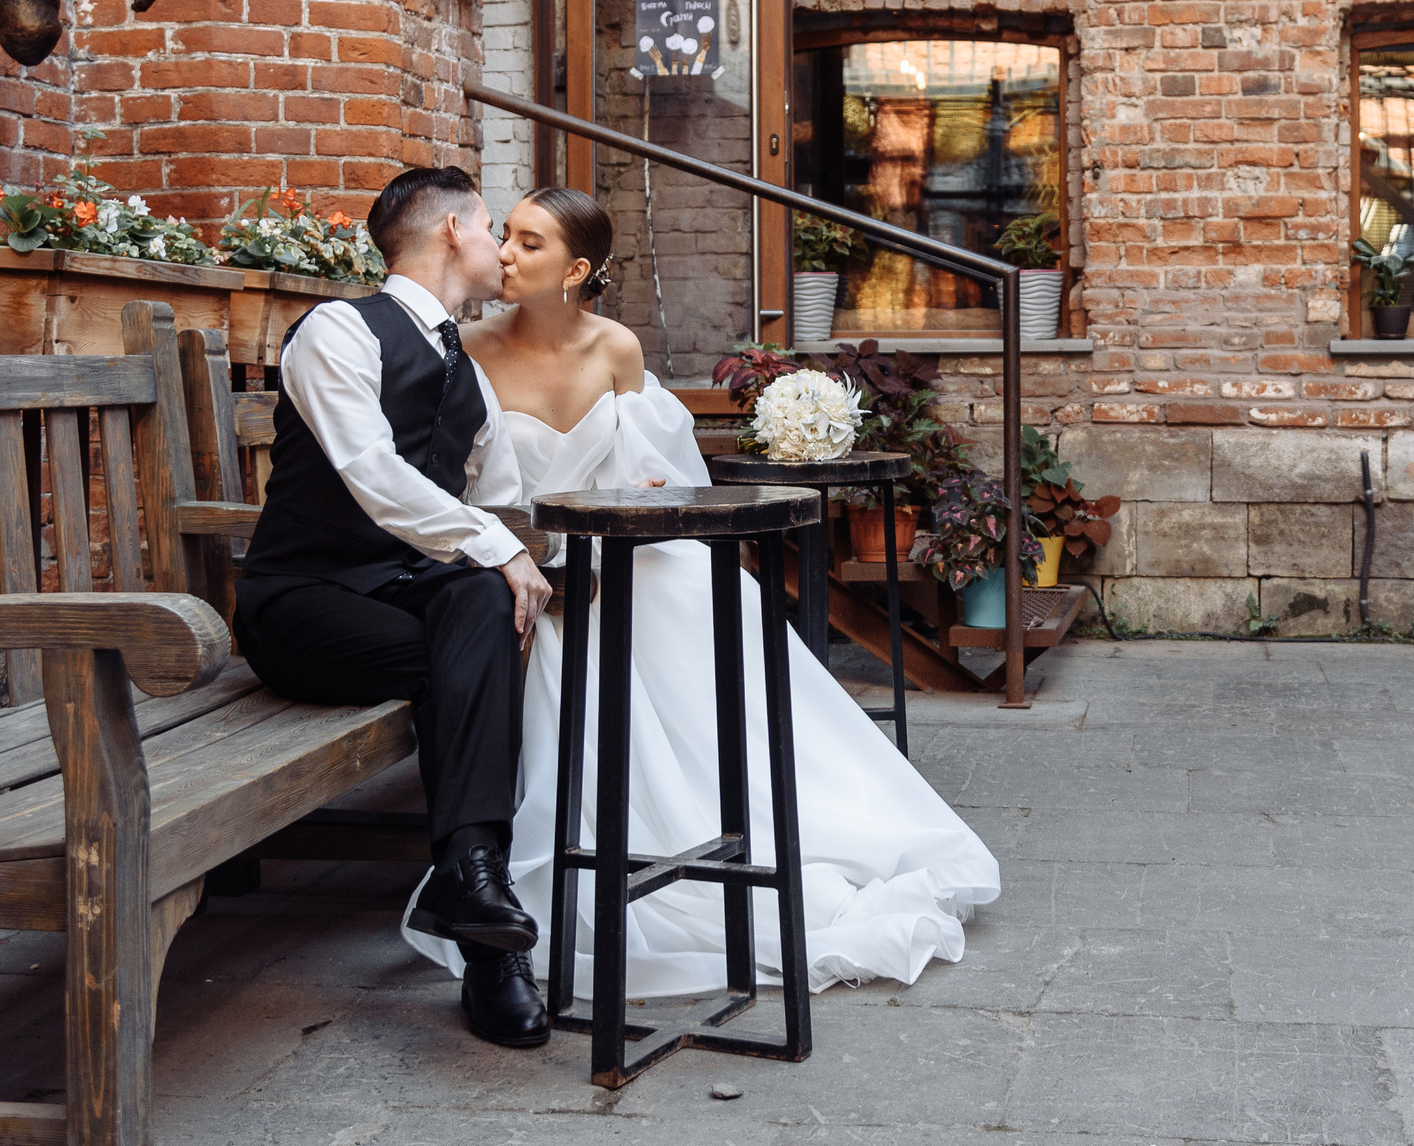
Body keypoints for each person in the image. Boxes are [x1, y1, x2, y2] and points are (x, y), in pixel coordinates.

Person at [402, 187, 1000, 999]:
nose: (504, 252)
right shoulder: (466, 347)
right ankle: (561, 863)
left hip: (616, 552)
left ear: (576, 270)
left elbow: (656, 476)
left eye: (528, 243)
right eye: (502, 235)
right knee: (561, 653)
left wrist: (635, 504)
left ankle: (745, 831)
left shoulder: (616, 349)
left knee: (708, 595)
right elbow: (455, 489)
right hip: (522, 565)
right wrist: (524, 556)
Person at [231, 166, 556, 1050]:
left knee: (485, 614)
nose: (498, 246)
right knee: (480, 644)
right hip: (303, 606)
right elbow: (373, 476)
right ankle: (489, 930)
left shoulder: (472, 376)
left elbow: (501, 502)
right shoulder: (337, 332)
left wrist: (573, 522)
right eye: (492, 226)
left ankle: (474, 890)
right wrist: (500, 551)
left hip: (401, 603)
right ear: (453, 230)